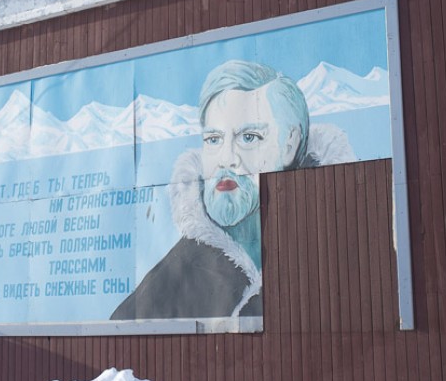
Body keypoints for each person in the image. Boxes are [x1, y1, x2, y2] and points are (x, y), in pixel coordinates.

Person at [111, 60, 311, 321]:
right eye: (213, 140)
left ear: (289, 144)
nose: (226, 159)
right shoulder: (161, 291)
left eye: (249, 137)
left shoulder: (327, 244)